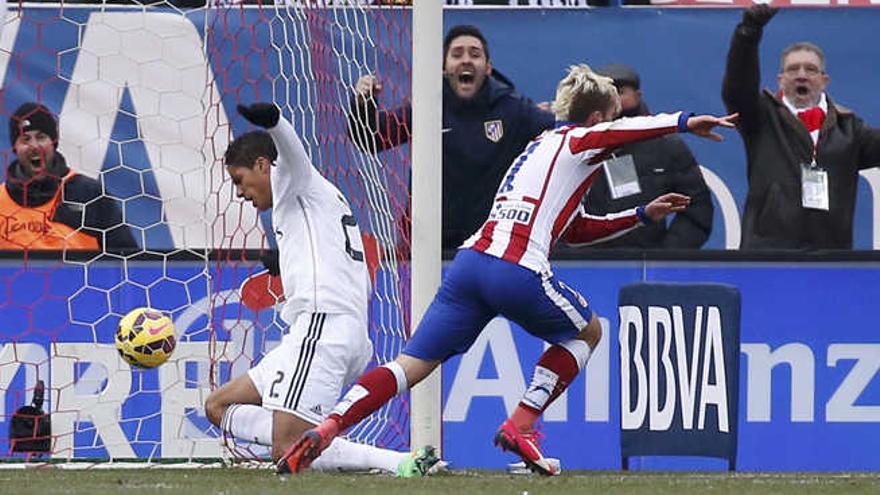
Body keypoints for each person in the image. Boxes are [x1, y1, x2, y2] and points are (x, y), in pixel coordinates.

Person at [279, 65, 737, 475]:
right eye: (612, 117)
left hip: (469, 266)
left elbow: (575, 230)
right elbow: (616, 136)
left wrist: (640, 216)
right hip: (514, 267)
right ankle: (522, 424)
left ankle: (327, 428)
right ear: (598, 117)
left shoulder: (539, 148)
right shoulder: (577, 140)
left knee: (408, 366)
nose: (614, 126)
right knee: (588, 332)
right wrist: (684, 121)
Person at [204, 103, 440, 477]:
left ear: (263, 165)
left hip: (322, 327)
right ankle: (305, 434)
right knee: (217, 406)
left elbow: (293, 153)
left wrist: (276, 122)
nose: (239, 193)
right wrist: (288, 263)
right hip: (325, 329)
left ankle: (402, 463)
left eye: (239, 179)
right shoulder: (312, 199)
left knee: (288, 450)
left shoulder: (291, 177)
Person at [348, 24, 555, 249]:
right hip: (427, 247)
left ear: (488, 67)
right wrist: (363, 104)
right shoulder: (426, 108)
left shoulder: (513, 109)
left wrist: (573, 108)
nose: (466, 60)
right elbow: (371, 139)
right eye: (457, 54)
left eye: (475, 54)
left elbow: (559, 132)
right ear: (444, 68)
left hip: (492, 245)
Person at [722, 5, 880, 250]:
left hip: (830, 257)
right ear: (781, 80)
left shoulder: (850, 129)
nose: (802, 75)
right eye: (793, 69)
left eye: (811, 69)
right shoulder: (761, 118)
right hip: (768, 254)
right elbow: (736, 86)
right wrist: (748, 33)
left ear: (824, 80)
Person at [581, 63, 713, 249]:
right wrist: (571, 257)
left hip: (649, 267)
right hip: (584, 265)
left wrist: (665, 256)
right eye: (604, 93)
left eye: (619, 91)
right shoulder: (580, 146)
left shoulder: (666, 145)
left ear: (638, 96)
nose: (612, 99)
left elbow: (697, 208)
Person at [0, 102, 137, 251]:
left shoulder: (89, 193)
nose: (34, 146)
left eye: (41, 137)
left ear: (54, 142)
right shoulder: (2, 200)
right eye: (25, 139)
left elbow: (127, 260)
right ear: (15, 147)